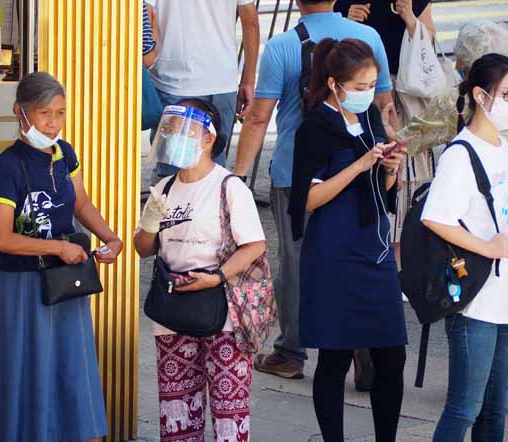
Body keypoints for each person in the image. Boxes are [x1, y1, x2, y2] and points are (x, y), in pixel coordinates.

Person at [234, 0, 395, 381]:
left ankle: (292, 351)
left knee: (297, 263)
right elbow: (384, 105)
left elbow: (258, 118)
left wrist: (237, 177)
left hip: (296, 173)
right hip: (361, 165)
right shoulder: (368, 36)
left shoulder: (283, 46)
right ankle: (361, 343)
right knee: (357, 255)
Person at [0, 72, 123, 442]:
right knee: (25, 370)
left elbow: (81, 203)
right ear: (20, 112)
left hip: (65, 283)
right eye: (44, 113)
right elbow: (0, 238)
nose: (53, 123)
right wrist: (58, 247)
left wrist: (110, 237)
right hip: (22, 287)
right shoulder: (6, 166)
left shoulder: (65, 154)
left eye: (60, 113)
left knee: (71, 369)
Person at [289, 38, 408, 441]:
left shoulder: (371, 117)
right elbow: (308, 199)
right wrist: (358, 166)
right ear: (334, 84)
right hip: (334, 251)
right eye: (359, 87)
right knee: (335, 355)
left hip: (374, 248)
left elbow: (381, 191)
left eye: (372, 85)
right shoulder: (315, 128)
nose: (368, 94)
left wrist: (389, 168)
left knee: (391, 355)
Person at [134, 99, 266, 442]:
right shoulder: (164, 188)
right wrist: (149, 223)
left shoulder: (229, 187)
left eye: (184, 131)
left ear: (208, 139)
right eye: (171, 130)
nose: (174, 137)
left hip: (223, 312)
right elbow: (143, 249)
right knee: (176, 410)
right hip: (173, 310)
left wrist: (217, 276)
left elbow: (254, 245)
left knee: (228, 412)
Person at [421, 53, 508, 442]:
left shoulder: (502, 147)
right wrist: (488, 248)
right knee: (465, 407)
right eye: (506, 94)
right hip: (474, 299)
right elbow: (435, 217)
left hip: (502, 297)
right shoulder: (461, 154)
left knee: (495, 409)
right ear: (479, 95)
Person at [146, 0, 260, 176]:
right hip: (222, 80)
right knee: (213, 167)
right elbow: (250, 21)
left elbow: (147, 17)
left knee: (172, 172)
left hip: (173, 81)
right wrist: (248, 80)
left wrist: (152, 59)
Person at [396, 20, 508, 156]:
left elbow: (407, 141)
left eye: (461, 60)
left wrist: (385, 127)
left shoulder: (454, 102)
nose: (457, 66)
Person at [335, 0, 435, 78]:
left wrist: (410, 18)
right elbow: (332, 42)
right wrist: (347, 22)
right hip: (361, 80)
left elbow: (430, 42)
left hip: (407, 81)